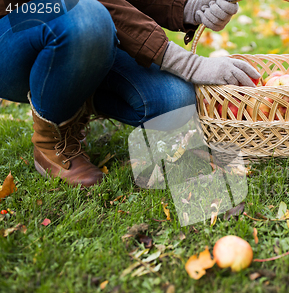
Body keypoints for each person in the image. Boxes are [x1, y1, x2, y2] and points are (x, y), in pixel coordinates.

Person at [0, 0, 260, 187]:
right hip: (16, 23)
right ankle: (50, 141)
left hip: (84, 25)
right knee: (85, 15)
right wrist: (188, 64)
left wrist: (186, 7)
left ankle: (75, 85)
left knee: (174, 101)